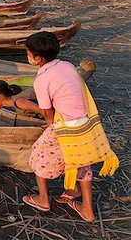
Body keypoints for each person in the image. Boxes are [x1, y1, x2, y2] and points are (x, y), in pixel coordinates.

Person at [22, 32, 118, 223]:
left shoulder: (41, 80)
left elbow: (48, 115)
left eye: (28, 53)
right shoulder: (65, 65)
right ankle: (85, 207)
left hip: (67, 127)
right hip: (86, 122)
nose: (27, 55)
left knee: (38, 154)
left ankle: (42, 199)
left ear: (38, 58)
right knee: (81, 161)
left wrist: (50, 131)